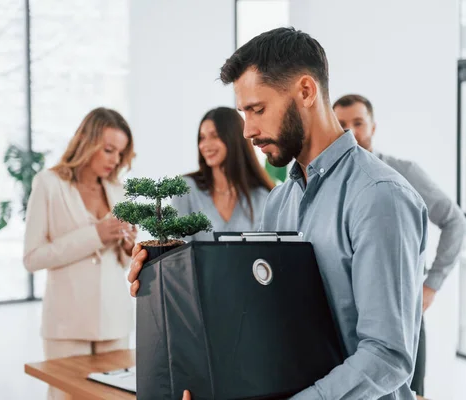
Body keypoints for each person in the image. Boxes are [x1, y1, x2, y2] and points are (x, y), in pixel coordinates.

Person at [129, 27, 429, 400]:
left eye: (257, 109)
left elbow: (387, 356)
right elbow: (261, 318)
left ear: (306, 91)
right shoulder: (280, 201)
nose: (248, 130)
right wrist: (169, 275)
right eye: (243, 113)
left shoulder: (379, 197)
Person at [333, 93, 466, 397]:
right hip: (344, 323)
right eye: (342, 124)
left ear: (373, 126)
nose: (351, 132)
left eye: (358, 123)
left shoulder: (402, 173)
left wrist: (431, 285)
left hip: (401, 320)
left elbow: (456, 222)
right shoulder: (326, 183)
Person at [23, 107, 138, 400]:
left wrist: (127, 246)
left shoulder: (118, 191)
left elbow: (122, 262)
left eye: (120, 153)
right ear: (86, 142)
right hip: (66, 325)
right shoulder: (48, 184)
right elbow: (33, 257)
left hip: (114, 321)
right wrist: (96, 234)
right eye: (108, 150)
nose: (114, 160)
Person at [172, 107, 274, 240]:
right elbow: (178, 251)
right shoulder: (185, 189)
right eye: (202, 138)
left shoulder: (262, 197)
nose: (205, 145)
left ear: (233, 138)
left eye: (215, 136)